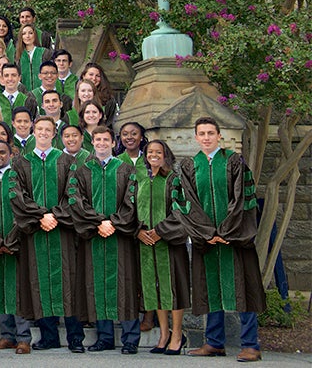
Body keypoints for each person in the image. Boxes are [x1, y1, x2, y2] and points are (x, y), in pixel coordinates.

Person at [167, 117, 264, 362]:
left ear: (220, 136)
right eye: (202, 133)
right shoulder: (189, 167)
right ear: (196, 137)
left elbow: (243, 199)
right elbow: (185, 204)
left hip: (235, 238)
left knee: (244, 288)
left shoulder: (234, 162)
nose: (207, 137)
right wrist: (207, 233)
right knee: (209, 289)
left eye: (211, 132)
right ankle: (214, 343)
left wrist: (227, 232)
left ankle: (251, 344)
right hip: (206, 240)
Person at [11, 121, 86, 352]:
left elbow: (73, 194)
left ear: (54, 135)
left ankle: (75, 337)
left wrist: (55, 215)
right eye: (39, 130)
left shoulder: (67, 161)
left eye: (48, 130)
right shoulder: (22, 163)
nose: (43, 133)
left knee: (68, 282)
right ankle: (48, 335)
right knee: (39, 280)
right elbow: (17, 195)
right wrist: (40, 216)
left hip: (62, 230)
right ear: (34, 133)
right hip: (36, 231)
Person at [67, 126, 141, 353]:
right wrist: (99, 222)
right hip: (95, 236)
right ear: (92, 141)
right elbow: (76, 202)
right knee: (97, 285)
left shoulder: (126, 169)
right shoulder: (82, 171)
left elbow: (132, 203)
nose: (101, 143)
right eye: (97, 139)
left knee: (125, 286)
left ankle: (130, 338)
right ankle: (105, 337)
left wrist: (114, 223)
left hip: (120, 237)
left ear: (113, 142)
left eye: (105, 139)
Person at [135, 139, 191, 355]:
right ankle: (164, 334)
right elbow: (131, 207)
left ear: (165, 154)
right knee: (155, 288)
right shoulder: (139, 178)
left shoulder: (173, 180)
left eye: (158, 152)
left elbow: (181, 211)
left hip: (169, 243)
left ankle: (177, 335)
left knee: (173, 288)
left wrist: (160, 231)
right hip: (145, 243)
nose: (154, 155)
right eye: (150, 152)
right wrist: (139, 230)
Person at [0, 139, 33, 354]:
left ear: (10, 154)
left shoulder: (18, 177)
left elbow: (25, 210)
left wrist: (11, 240)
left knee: (17, 291)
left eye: (2, 152)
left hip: (16, 243)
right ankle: (7, 336)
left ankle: (23, 338)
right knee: (0, 289)